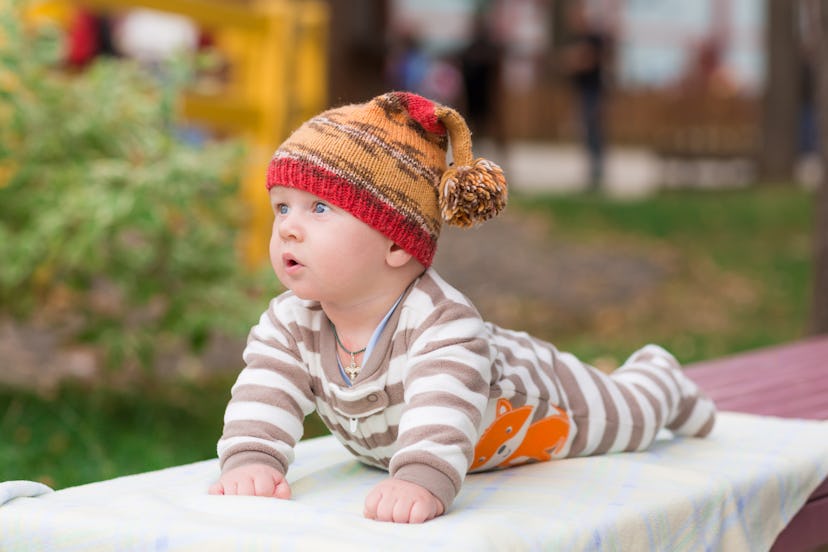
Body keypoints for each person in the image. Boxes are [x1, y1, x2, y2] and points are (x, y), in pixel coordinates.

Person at [208, 91, 717, 523]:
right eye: (282, 207)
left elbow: (443, 409)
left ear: (395, 243)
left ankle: (660, 381)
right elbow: (264, 390)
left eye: (319, 208)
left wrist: (421, 479)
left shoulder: (442, 324)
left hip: (535, 395)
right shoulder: (289, 322)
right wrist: (252, 459)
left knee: (627, 418)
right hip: (399, 446)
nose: (288, 228)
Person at [562, 2, 610, 191]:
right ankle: (592, 173)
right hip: (582, 91)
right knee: (586, 132)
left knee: (594, 131)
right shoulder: (577, 38)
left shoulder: (593, 38)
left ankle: (597, 173)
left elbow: (588, 61)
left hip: (594, 91)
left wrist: (573, 60)